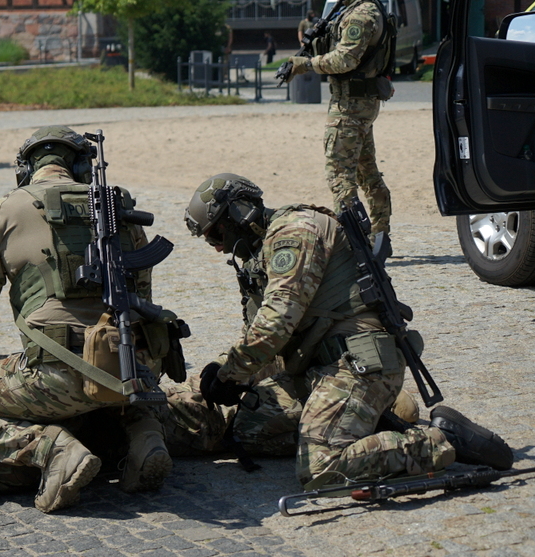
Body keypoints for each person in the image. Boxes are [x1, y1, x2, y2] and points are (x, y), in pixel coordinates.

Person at [183, 173, 514, 489]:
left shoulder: (296, 231)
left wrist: (230, 373)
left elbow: (277, 321)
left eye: (216, 236)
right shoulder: (262, 252)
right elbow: (263, 336)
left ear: (239, 214)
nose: (218, 248)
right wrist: (222, 369)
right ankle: (361, 423)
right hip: (316, 370)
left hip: (358, 366)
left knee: (320, 467)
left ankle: (441, 441)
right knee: (247, 428)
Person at [0, 126, 183, 513]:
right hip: (131, 366)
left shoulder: (0, 212)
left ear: (25, 169)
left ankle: (54, 451)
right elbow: (142, 296)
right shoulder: (118, 208)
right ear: (82, 166)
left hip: (57, 372)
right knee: (121, 374)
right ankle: (146, 436)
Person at [280, 0, 394, 241]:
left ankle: (356, 242)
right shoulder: (357, 8)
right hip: (359, 103)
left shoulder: (361, 14)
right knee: (367, 172)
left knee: (339, 175)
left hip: (350, 106)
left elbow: (345, 60)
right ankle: (380, 234)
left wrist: (305, 65)